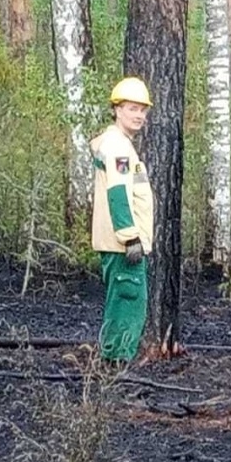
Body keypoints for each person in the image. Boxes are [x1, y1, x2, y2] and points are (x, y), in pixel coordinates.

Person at [90, 77, 155, 362]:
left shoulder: (120, 144)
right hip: (124, 244)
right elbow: (118, 193)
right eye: (132, 108)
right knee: (129, 302)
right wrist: (130, 236)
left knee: (121, 301)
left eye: (142, 109)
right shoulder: (118, 146)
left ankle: (112, 360)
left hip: (121, 242)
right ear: (116, 109)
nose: (139, 115)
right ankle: (117, 361)